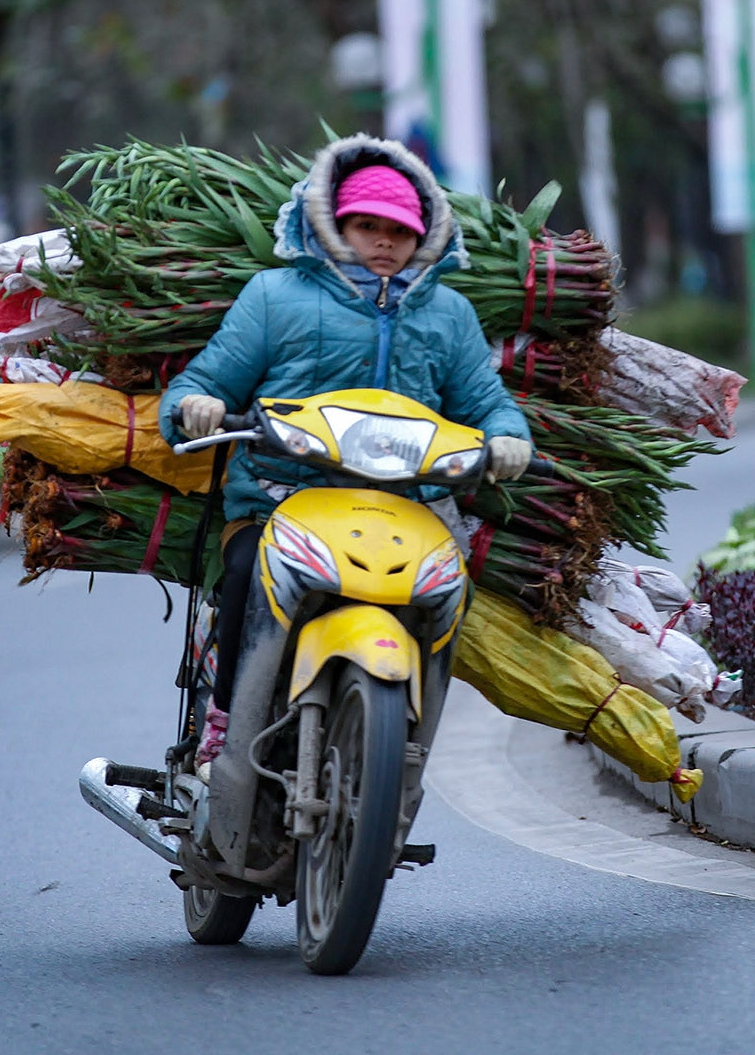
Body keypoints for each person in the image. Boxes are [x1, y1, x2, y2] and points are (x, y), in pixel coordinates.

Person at [158, 135, 533, 770]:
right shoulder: (275, 298)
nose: (385, 242)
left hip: (404, 510)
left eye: (401, 230)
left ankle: (401, 747)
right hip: (280, 503)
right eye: (367, 226)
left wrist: (508, 437)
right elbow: (199, 385)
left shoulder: (449, 313)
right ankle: (222, 721)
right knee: (247, 572)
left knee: (446, 598)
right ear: (335, 225)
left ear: (425, 236)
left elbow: (486, 400)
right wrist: (194, 408)